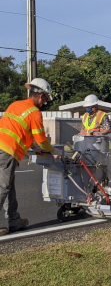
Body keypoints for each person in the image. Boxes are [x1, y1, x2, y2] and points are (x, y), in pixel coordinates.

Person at [0, 78, 61, 236]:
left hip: (2, 148)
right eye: (46, 99)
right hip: (8, 151)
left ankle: (14, 220)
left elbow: (20, 130)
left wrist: (33, 148)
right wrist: (53, 151)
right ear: (40, 96)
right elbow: (41, 139)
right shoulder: (35, 113)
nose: (45, 103)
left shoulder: (14, 105)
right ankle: (13, 220)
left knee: (9, 187)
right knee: (3, 187)